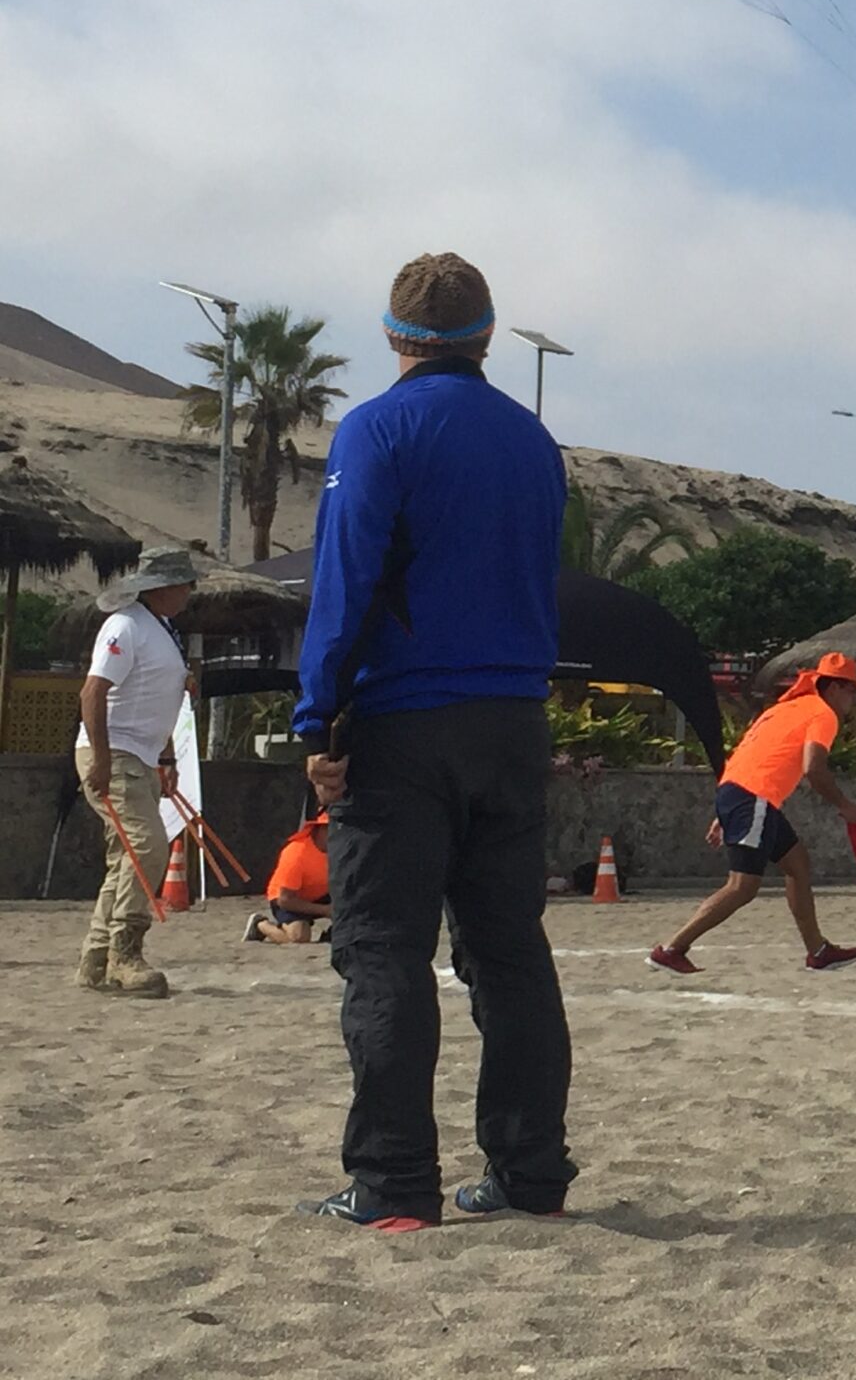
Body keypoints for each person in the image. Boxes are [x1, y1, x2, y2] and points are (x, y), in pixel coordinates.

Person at [292, 253, 573, 1232]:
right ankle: (532, 1173)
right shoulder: (536, 443)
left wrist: (314, 719)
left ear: (392, 335)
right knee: (508, 955)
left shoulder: (378, 429)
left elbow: (346, 579)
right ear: (489, 334)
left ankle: (394, 1183)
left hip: (405, 724)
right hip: (512, 722)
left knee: (383, 953)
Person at [649, 652, 856, 973]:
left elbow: (751, 755)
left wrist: (725, 811)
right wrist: (845, 805)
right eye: (852, 691)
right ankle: (672, 948)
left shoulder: (786, 708)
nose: (855, 698)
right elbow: (814, 769)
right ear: (834, 688)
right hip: (753, 798)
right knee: (742, 886)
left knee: (797, 864)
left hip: (742, 794)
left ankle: (818, 951)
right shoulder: (823, 714)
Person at [73, 546, 196, 997]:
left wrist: (165, 758)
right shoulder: (125, 626)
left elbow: (158, 700)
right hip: (116, 752)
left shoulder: (163, 631)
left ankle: (96, 957)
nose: (189, 590)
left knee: (125, 857)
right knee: (147, 847)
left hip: (140, 755)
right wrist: (102, 758)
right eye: (184, 582)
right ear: (162, 586)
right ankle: (125, 953)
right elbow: (93, 692)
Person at [250, 812, 333, 944]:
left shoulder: (343, 849)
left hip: (320, 893)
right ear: (319, 829)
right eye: (331, 827)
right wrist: (325, 910)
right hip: (288, 898)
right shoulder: (297, 852)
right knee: (299, 937)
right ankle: (261, 925)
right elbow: (285, 900)